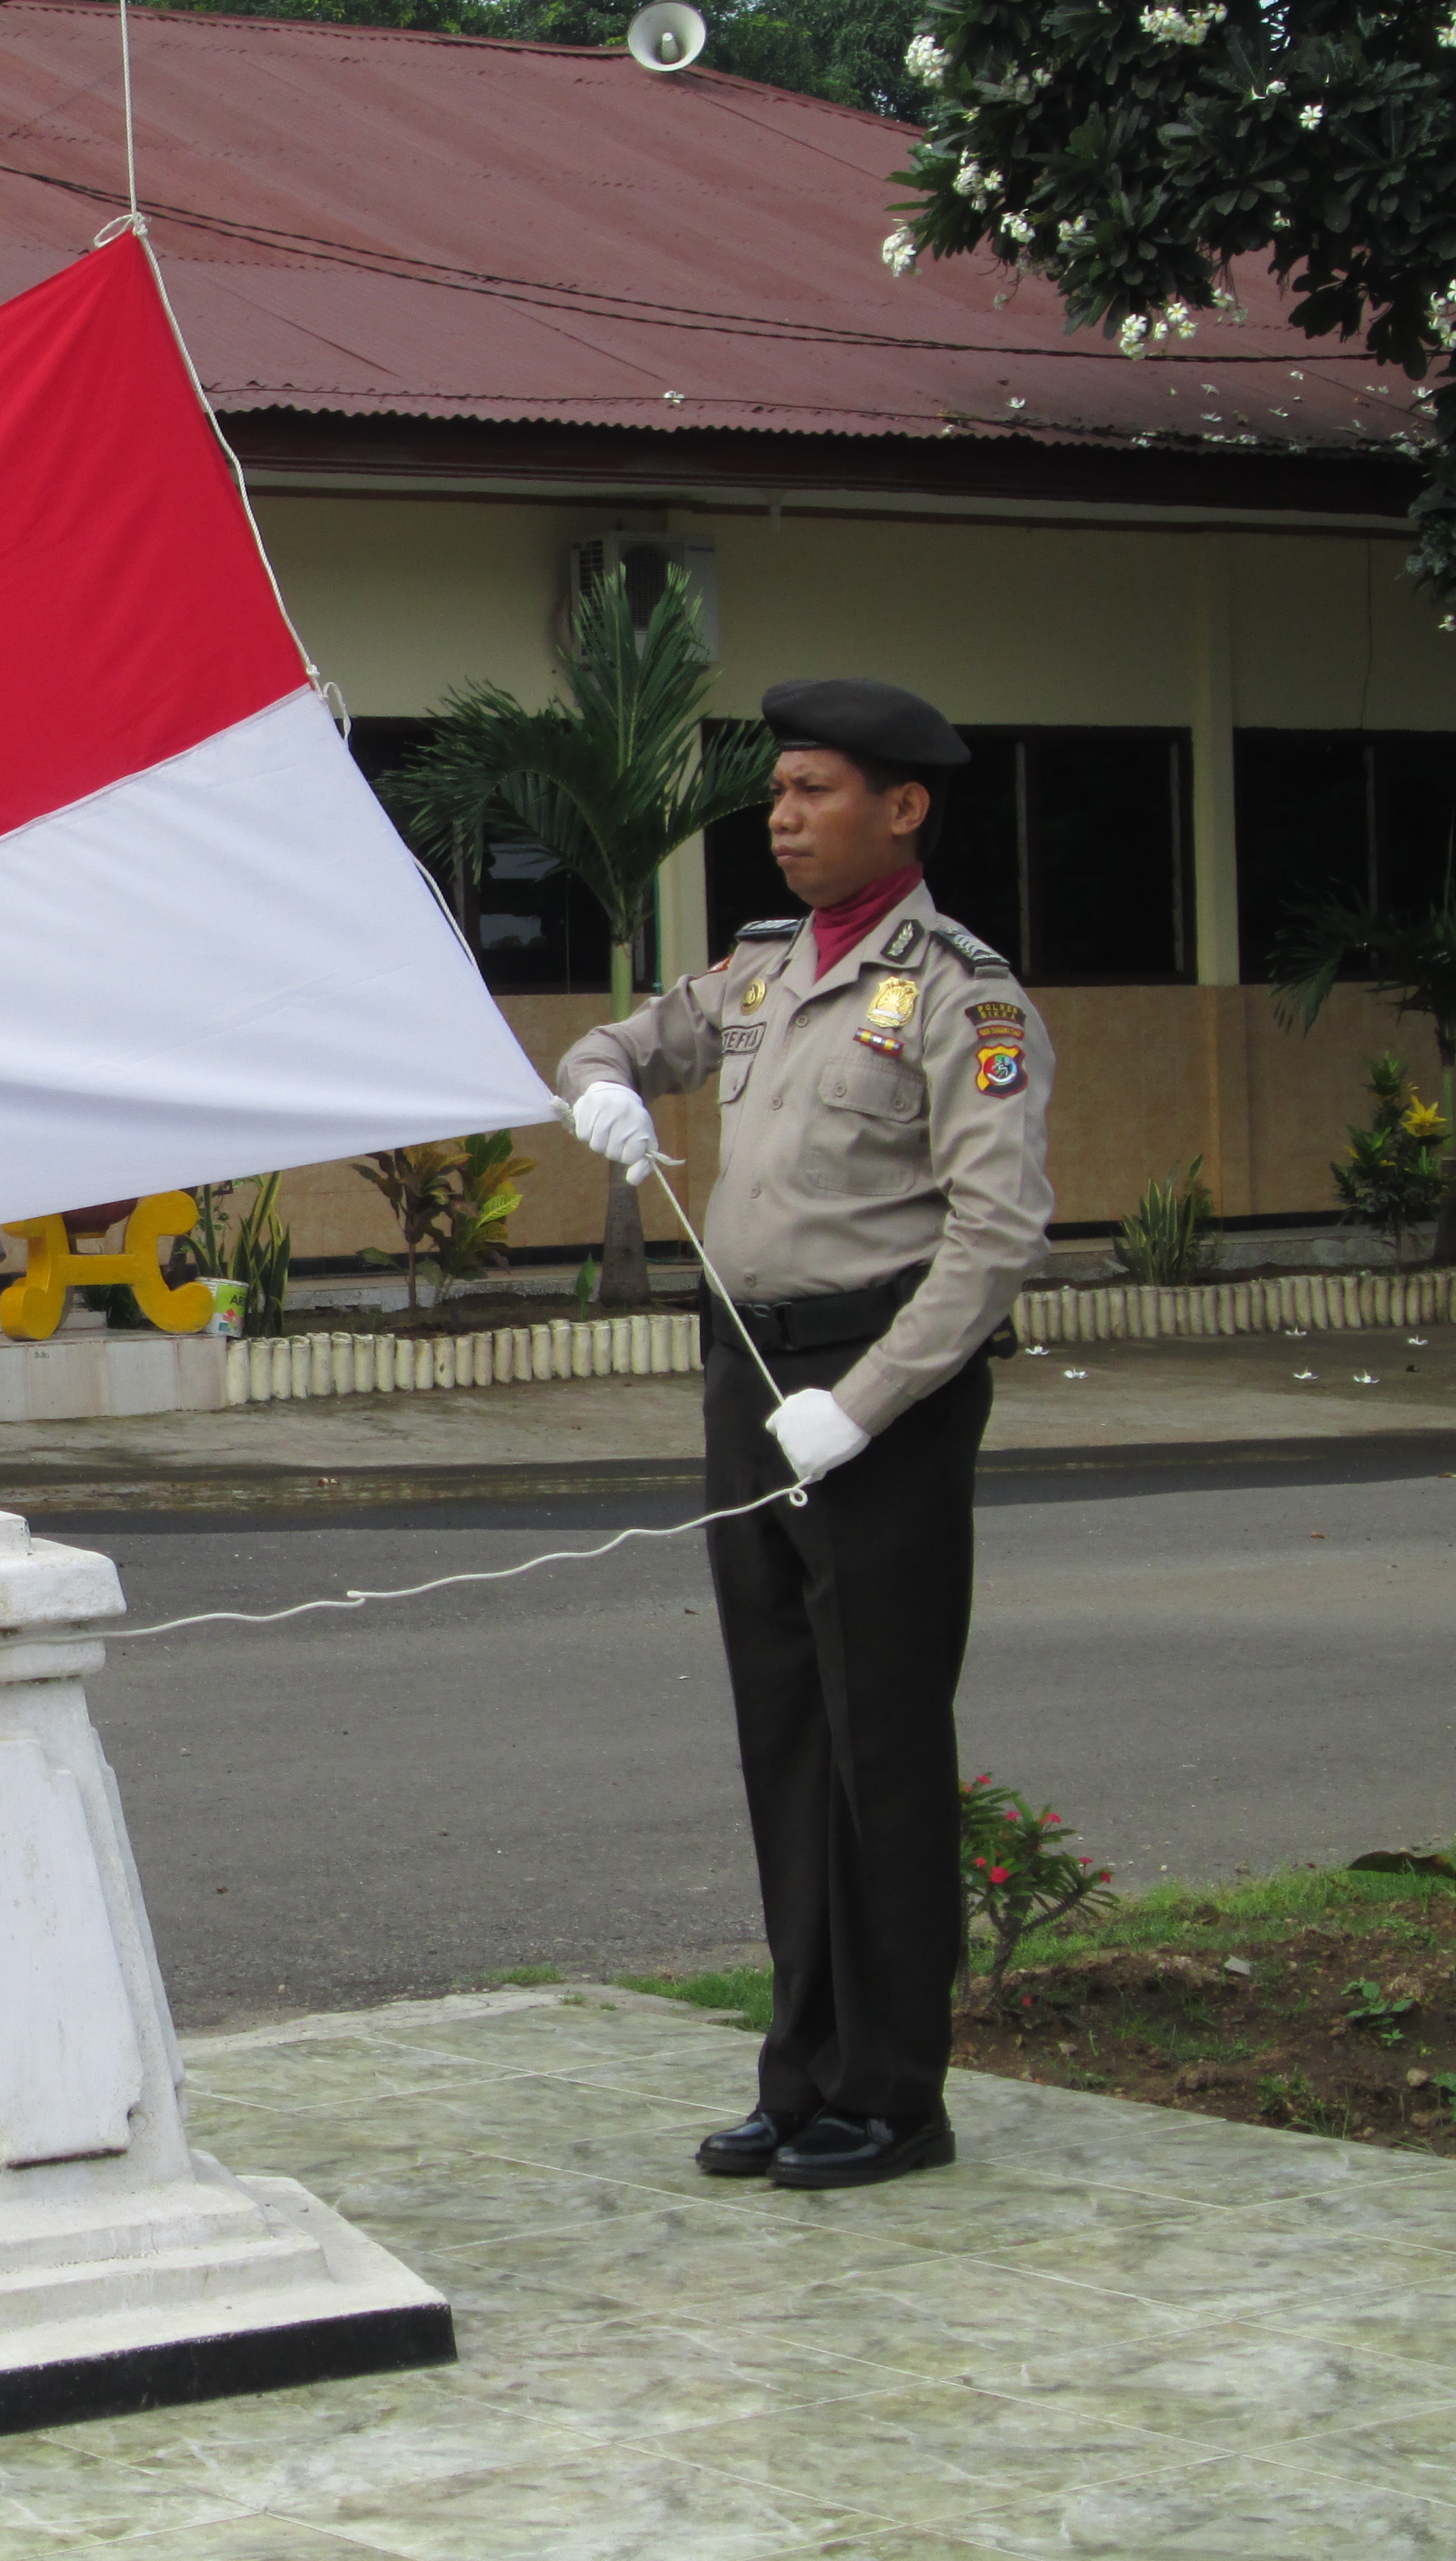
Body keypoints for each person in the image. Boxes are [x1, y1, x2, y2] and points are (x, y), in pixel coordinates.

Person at [554, 677, 1054, 2192]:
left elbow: (997, 1232)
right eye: (777, 792)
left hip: (872, 1391)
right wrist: (605, 1099)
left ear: (902, 810)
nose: (782, 818)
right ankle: (803, 2072)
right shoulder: (765, 974)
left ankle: (896, 2090)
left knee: (881, 1741)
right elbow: (611, 1046)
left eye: (816, 791)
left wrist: (871, 1401)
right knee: (785, 1726)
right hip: (750, 1374)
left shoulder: (967, 996)